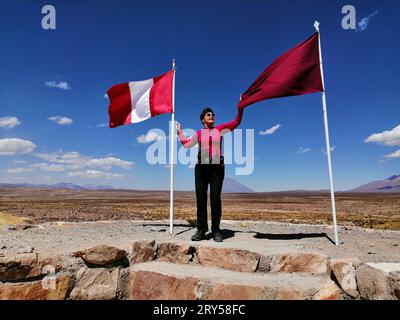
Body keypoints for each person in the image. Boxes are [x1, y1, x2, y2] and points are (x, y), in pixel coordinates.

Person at [176, 105, 244, 242]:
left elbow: (236, 122)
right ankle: (201, 230)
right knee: (201, 200)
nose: (211, 116)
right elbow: (186, 145)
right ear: (203, 119)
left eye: (212, 114)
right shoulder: (200, 133)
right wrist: (179, 131)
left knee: (215, 199)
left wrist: (240, 107)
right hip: (201, 169)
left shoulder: (220, 130)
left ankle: (216, 230)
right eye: (208, 114)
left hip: (217, 169)